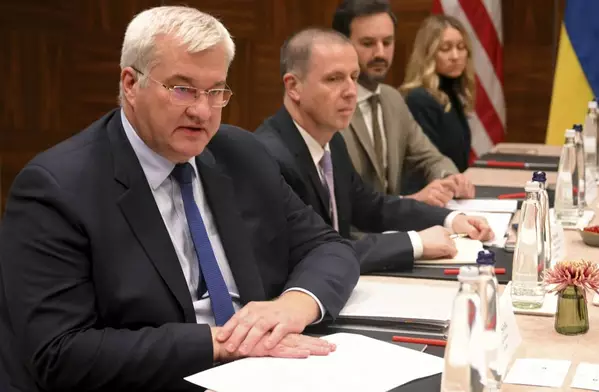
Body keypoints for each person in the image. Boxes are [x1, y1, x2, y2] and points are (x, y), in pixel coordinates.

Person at [0, 6, 359, 392]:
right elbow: (61, 352)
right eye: (182, 88)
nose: (202, 111)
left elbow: (328, 247)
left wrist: (292, 306)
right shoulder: (57, 188)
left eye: (216, 91)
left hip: (267, 371)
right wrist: (223, 344)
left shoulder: (241, 154)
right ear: (130, 84)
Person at [252, 28, 493, 274]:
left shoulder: (331, 141)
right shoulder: (269, 157)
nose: (350, 92)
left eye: (354, 77)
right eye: (334, 79)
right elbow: (316, 251)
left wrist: (449, 219)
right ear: (293, 87)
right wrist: (416, 243)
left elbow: (373, 207)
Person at [331, 0, 476, 206]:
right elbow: (339, 199)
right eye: (368, 43)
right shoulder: (329, 106)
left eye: (387, 42)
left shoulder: (392, 99)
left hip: (395, 228)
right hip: (354, 234)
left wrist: (449, 178)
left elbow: (430, 158)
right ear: (342, 45)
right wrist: (409, 201)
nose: (380, 53)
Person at [400, 15, 475, 173]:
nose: (455, 56)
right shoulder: (419, 99)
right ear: (428, 54)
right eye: (445, 48)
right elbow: (426, 164)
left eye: (461, 47)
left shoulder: (451, 94)